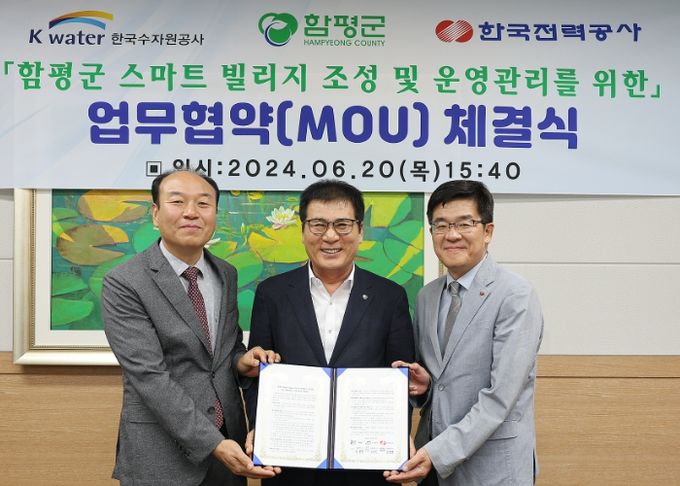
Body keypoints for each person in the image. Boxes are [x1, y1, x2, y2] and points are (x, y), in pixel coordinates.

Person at [102, 169, 281, 486]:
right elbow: (149, 376)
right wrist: (213, 443)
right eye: (177, 202)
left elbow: (223, 351)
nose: (191, 212)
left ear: (215, 214)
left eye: (203, 203)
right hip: (162, 453)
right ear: (155, 213)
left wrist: (242, 361)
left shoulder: (226, 273)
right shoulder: (125, 282)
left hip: (229, 443)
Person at [246, 179, 415, 486]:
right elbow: (258, 372)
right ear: (303, 231)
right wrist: (261, 429)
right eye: (318, 225)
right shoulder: (272, 293)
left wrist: (397, 437)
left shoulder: (390, 296)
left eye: (342, 225)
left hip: (366, 468)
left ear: (360, 230)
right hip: (289, 464)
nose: (330, 236)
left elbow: (399, 378)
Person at [385, 180, 544, 485]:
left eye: (464, 223)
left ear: (488, 231)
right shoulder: (427, 296)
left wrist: (437, 453)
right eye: (441, 225)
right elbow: (445, 381)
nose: (452, 234)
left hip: (491, 469)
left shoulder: (515, 295)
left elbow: (501, 396)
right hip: (434, 467)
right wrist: (426, 385)